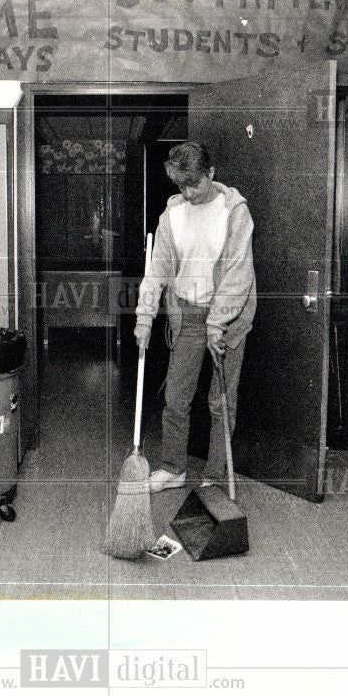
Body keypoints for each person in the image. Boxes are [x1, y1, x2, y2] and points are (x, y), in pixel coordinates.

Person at [134, 141, 256, 492]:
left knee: (220, 402)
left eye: (194, 184)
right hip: (186, 314)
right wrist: (144, 317)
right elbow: (157, 270)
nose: (187, 193)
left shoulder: (234, 211)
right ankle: (173, 468)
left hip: (228, 319)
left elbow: (237, 274)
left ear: (211, 173)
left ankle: (215, 478)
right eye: (181, 186)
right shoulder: (172, 214)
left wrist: (217, 323)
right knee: (176, 397)